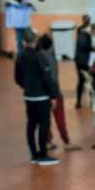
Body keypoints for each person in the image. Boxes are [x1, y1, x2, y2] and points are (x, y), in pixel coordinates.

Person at [14, 29, 61, 165]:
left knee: (31, 124)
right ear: (35, 40)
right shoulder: (39, 56)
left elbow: (17, 78)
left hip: (29, 97)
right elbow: (47, 77)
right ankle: (43, 155)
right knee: (44, 125)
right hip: (41, 97)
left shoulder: (20, 56)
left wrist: (27, 87)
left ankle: (33, 154)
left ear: (23, 41)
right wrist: (53, 95)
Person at [37, 34, 80, 152]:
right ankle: (66, 142)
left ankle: (48, 141)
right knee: (60, 119)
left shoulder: (37, 57)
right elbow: (53, 77)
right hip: (54, 93)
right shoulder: (50, 58)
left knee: (45, 120)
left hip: (41, 94)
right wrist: (54, 94)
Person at [74, 20, 95, 108]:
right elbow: (83, 45)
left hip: (83, 61)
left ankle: (86, 100)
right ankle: (79, 101)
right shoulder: (84, 35)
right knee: (81, 81)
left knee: (84, 80)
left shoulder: (85, 35)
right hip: (82, 61)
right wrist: (93, 49)